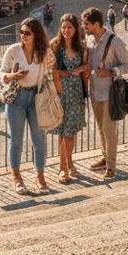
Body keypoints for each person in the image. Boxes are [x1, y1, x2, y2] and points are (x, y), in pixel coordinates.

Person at [0, 17, 51, 194]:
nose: (23, 35)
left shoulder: (43, 52)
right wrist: (12, 76)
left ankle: (40, 175)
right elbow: (1, 75)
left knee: (39, 139)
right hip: (17, 98)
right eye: (21, 32)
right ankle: (16, 177)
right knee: (16, 140)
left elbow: (50, 73)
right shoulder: (13, 50)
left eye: (27, 33)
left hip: (36, 98)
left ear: (36, 35)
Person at [81, 6, 128, 179]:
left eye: (86, 24)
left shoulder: (115, 42)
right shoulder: (90, 40)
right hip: (94, 90)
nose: (84, 26)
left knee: (109, 129)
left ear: (96, 24)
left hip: (110, 93)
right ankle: (105, 157)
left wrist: (111, 72)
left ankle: (111, 166)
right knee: (100, 127)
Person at [50, 13, 89, 183]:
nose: (66, 30)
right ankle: (64, 167)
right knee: (63, 131)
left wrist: (80, 69)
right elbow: (49, 69)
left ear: (75, 29)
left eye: (69, 27)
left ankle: (66, 165)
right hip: (60, 93)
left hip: (76, 93)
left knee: (69, 132)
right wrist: (62, 73)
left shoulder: (82, 48)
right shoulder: (54, 46)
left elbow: (87, 66)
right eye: (63, 27)